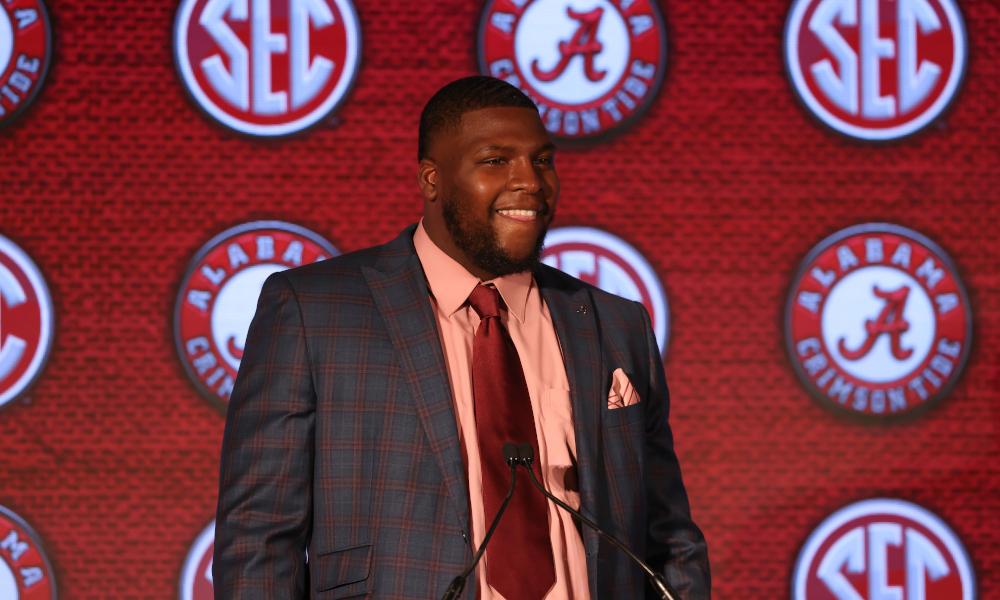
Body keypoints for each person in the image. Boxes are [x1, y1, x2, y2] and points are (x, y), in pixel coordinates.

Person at [213, 76, 710, 600]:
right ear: (431, 179)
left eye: (542, 160)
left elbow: (669, 538)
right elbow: (259, 540)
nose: (530, 183)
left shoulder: (616, 324)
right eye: (496, 160)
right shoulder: (316, 310)